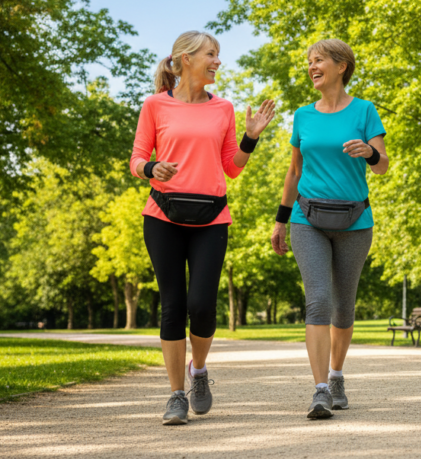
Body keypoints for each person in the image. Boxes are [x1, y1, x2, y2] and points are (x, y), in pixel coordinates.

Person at [130, 30, 276, 425]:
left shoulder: (223, 108)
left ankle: (199, 371)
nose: (217, 61)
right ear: (186, 58)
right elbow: (137, 158)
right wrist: (151, 168)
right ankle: (176, 395)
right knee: (173, 307)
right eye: (211, 54)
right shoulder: (155, 105)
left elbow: (232, 167)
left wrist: (250, 137)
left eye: (218, 54)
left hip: (212, 217)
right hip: (162, 215)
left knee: (202, 306)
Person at [270, 38, 389, 419]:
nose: (312, 66)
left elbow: (383, 164)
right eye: (309, 61)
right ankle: (320, 389)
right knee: (318, 299)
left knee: (343, 307)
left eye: (319, 60)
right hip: (308, 219)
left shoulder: (365, 111)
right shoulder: (303, 115)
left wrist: (369, 152)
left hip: (355, 221)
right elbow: (294, 171)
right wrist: (281, 220)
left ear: (341, 65)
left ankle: (336, 374)